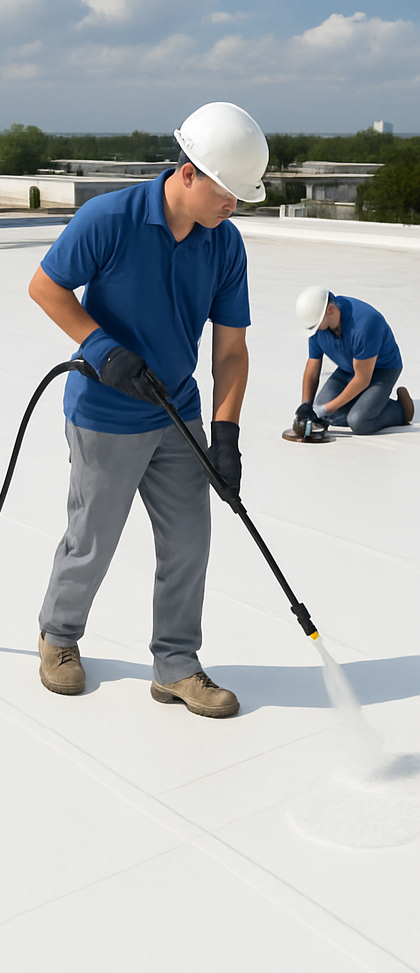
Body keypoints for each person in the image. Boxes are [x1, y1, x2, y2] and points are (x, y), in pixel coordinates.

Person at [28, 101, 270, 719]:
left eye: (241, 196)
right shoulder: (110, 218)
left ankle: (177, 665)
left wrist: (226, 432)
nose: (233, 205)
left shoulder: (224, 244)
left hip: (178, 413)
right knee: (92, 539)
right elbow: (46, 286)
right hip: (106, 412)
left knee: (189, 543)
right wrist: (102, 348)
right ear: (189, 173)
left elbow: (231, 349)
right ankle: (59, 638)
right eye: (227, 191)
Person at [294, 286, 412, 433]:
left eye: (316, 325)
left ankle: (400, 410)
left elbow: (362, 379)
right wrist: (306, 405)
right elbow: (313, 367)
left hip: (382, 369)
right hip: (348, 367)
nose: (315, 330)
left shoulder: (364, 324)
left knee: (358, 421)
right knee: (324, 410)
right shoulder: (318, 328)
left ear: (330, 310)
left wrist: (323, 410)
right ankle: (369, 405)